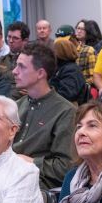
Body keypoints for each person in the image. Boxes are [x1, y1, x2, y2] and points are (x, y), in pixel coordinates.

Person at [12, 42, 76, 189]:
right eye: (16, 65)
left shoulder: (65, 112)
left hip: (38, 184)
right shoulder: (16, 106)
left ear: (40, 73)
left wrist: (30, 162)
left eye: (21, 66)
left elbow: (66, 167)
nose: (14, 71)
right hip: (9, 176)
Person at [49, 36, 87, 104]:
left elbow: (67, 95)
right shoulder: (59, 68)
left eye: (54, 51)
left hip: (68, 108)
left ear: (60, 53)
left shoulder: (72, 70)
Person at [73, 20, 97, 85]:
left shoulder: (91, 49)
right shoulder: (72, 47)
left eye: (82, 29)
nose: (79, 31)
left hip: (85, 85)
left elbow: (93, 76)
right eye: (78, 28)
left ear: (87, 32)